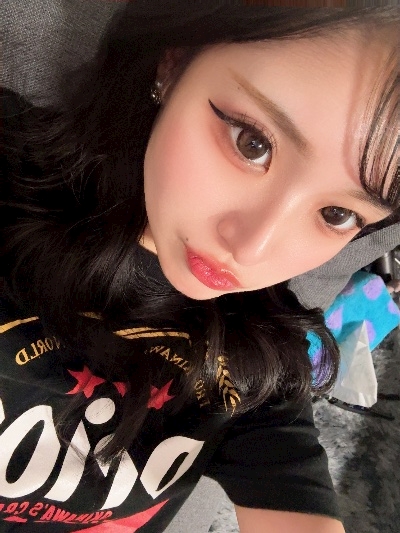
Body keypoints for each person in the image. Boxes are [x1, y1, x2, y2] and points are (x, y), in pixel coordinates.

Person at [1, 2, 399, 532]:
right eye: (252, 144)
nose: (252, 248)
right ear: (175, 61)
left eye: (337, 214)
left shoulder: (260, 362)